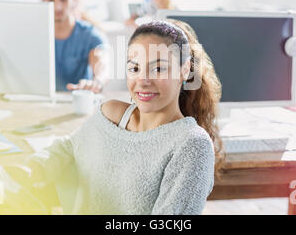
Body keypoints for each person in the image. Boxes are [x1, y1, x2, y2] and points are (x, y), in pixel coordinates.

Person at [25, 19, 224, 214]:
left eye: (158, 68)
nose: (143, 81)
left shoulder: (192, 145)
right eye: (135, 68)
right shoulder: (111, 115)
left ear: (185, 70)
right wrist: (33, 169)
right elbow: (70, 146)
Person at [41, 0, 109, 93]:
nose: (58, 7)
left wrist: (97, 81)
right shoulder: (35, 33)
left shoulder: (90, 35)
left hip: (78, 102)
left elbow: (102, 64)